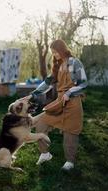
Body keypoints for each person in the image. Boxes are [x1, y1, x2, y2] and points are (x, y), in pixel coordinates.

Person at [30, 39, 88, 171]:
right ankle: (45, 154)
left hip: (72, 103)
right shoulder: (59, 65)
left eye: (56, 52)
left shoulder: (74, 62)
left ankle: (70, 162)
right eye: (53, 52)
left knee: (70, 133)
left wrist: (69, 92)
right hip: (59, 102)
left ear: (62, 49)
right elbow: (47, 82)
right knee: (41, 124)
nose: (54, 54)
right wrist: (33, 94)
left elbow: (83, 83)